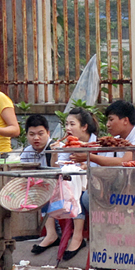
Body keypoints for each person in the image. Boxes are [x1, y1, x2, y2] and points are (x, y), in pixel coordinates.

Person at [31, 107, 97, 261]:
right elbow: (57, 166)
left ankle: (77, 236)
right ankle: (51, 233)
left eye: (72, 124)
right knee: (46, 186)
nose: (68, 128)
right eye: (66, 124)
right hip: (72, 180)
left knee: (77, 194)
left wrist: (87, 164)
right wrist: (55, 152)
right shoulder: (68, 142)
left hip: (93, 184)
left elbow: (100, 166)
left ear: (84, 127)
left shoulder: (96, 143)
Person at [77, 100, 135, 212]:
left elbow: (124, 161)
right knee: (86, 196)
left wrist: (90, 157)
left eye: (111, 119)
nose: (107, 124)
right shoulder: (115, 140)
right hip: (122, 188)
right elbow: (105, 166)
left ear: (125, 120)